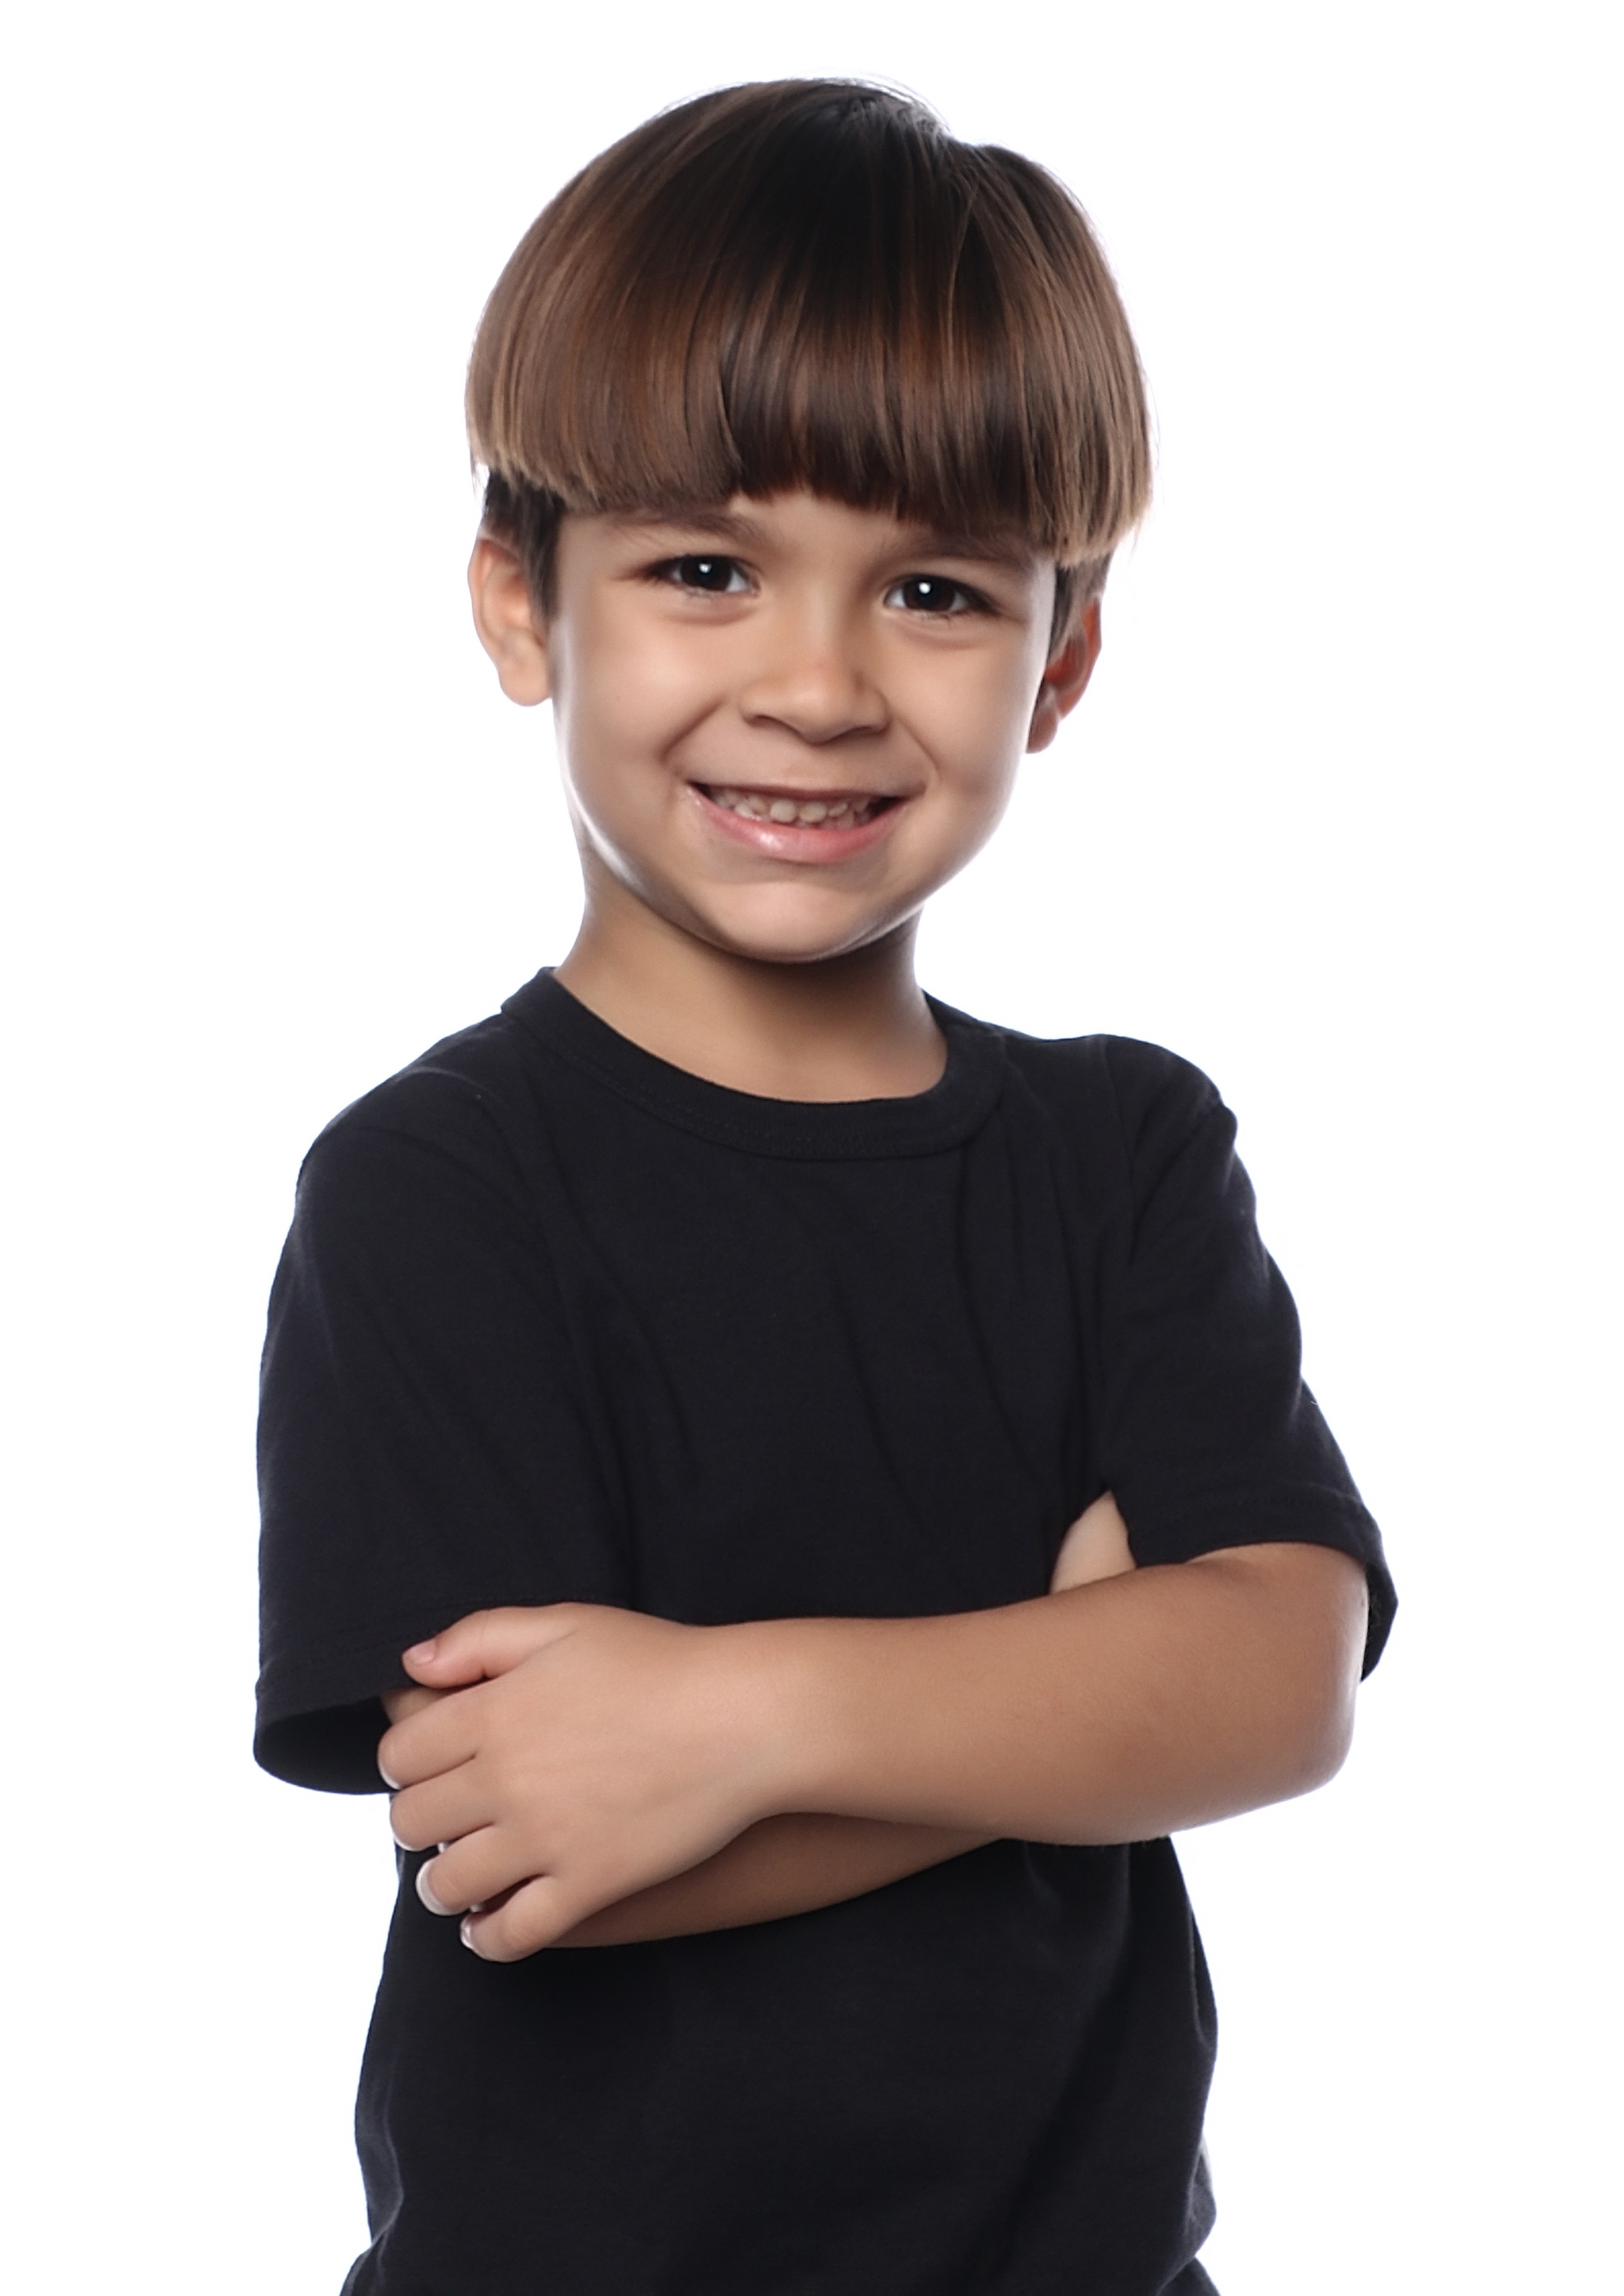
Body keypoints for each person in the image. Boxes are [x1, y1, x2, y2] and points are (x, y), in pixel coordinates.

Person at [255, 78, 1396, 2296]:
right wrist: (1071, 1686)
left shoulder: (1121, 1153)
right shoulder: (437, 1187)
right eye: (704, 569)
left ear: (1060, 661)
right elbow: (530, 1840)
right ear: (520, 602)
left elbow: (1279, 1682)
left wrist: (738, 1718)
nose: (815, 684)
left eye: (935, 590)